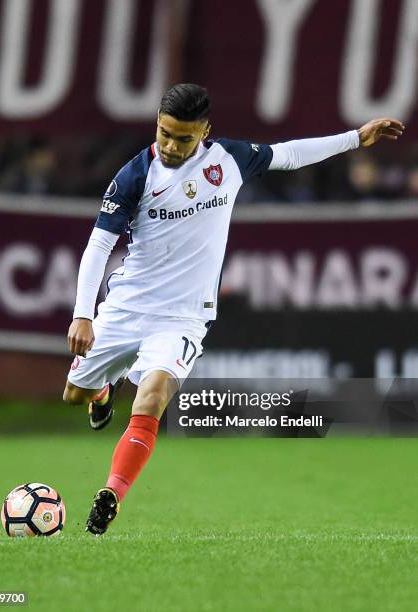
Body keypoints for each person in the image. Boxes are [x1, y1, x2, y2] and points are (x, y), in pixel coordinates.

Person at [62, 83, 404, 535]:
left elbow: (290, 153)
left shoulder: (228, 159)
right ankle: (101, 391)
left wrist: (355, 138)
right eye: (164, 133)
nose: (170, 145)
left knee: (153, 397)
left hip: (184, 315)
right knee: (75, 395)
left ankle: (112, 494)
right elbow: (99, 243)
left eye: (183, 138)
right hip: (127, 308)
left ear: (205, 131)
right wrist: (83, 313)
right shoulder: (134, 176)